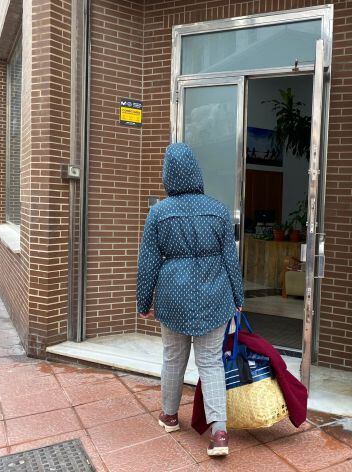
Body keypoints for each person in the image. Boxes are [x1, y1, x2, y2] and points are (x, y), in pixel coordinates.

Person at [136, 143, 244, 457]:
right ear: (196, 172)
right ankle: (220, 433)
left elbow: (148, 262)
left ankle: (170, 416)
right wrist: (238, 298)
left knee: (173, 358)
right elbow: (230, 260)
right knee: (211, 363)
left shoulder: (158, 213)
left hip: (172, 299)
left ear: (167, 175)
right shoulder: (219, 210)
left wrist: (144, 302)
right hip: (215, 296)